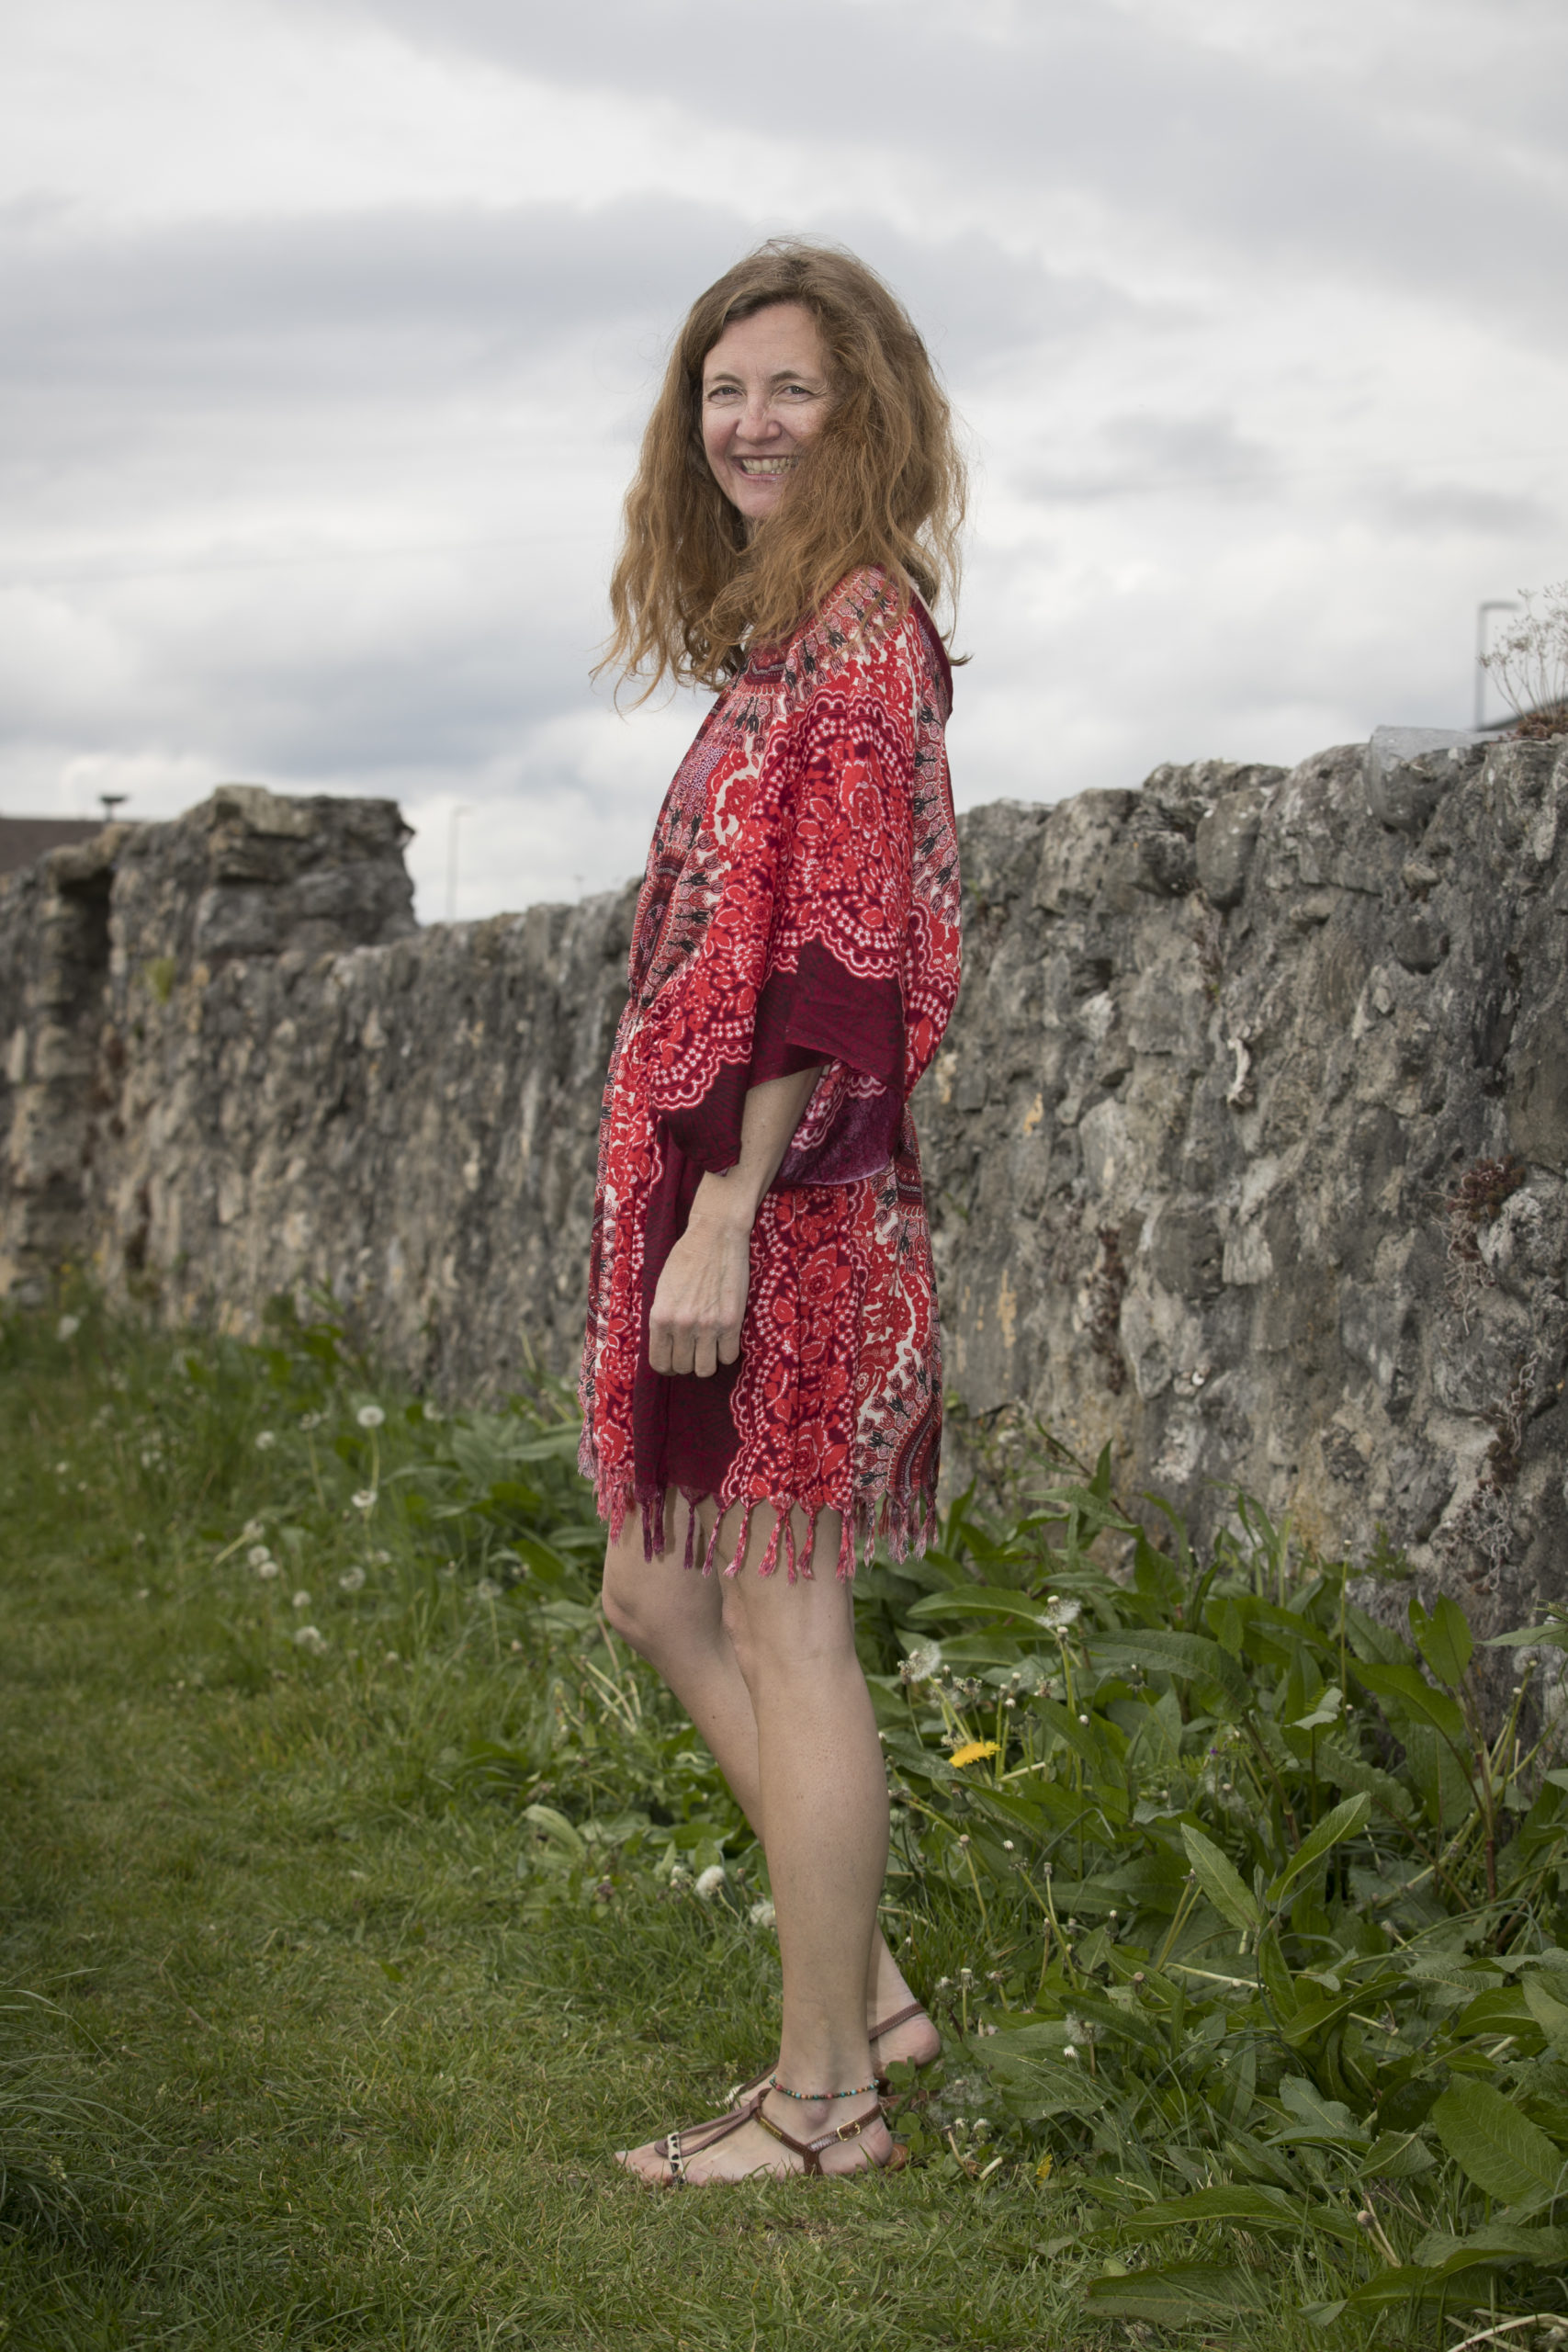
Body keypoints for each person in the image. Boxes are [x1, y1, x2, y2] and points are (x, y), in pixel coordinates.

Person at [581, 239, 965, 2185]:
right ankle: (865, 1992)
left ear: (862, 411)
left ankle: (825, 2102)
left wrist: (729, 1205)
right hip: (701, 1188)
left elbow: (838, 966)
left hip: (787, 1203)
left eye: (790, 387)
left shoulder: (864, 641)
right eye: (722, 390)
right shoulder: (781, 640)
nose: (750, 422)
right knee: (656, 1587)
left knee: (784, 1615)